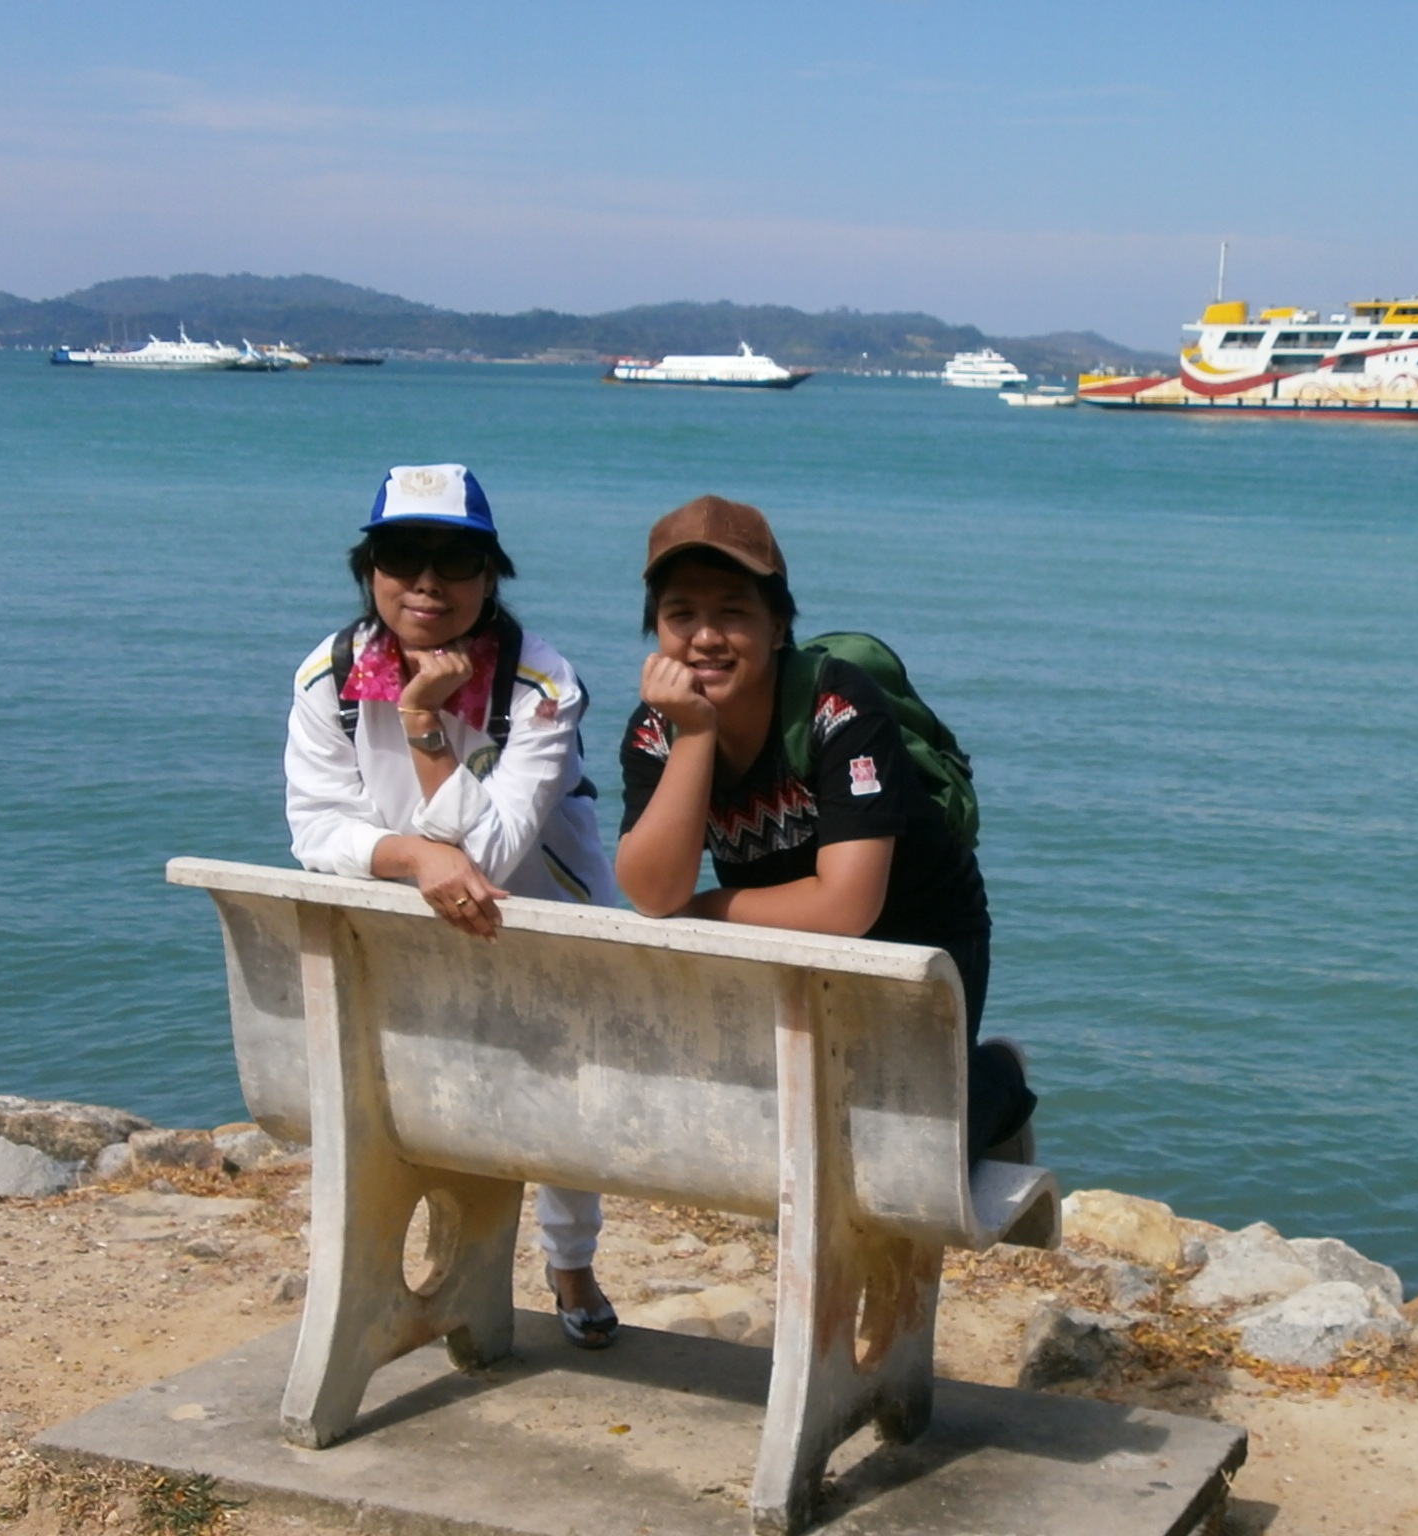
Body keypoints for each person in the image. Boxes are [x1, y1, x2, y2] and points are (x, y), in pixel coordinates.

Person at [283, 463, 624, 1348]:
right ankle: (451, 1270)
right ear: (370, 571)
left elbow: (496, 855)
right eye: (403, 556)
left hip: (538, 918)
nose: (427, 581)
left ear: (491, 575)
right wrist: (414, 855)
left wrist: (424, 722)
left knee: (566, 1100)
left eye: (456, 559)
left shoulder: (542, 685)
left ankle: (570, 1260)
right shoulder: (327, 677)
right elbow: (315, 827)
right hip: (410, 916)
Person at [614, 494, 1036, 1161]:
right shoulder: (658, 728)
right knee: (807, 1133)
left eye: (733, 612)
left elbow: (846, 905)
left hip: (922, 930)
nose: (705, 637)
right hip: (780, 931)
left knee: (907, 1150)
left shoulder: (838, 703)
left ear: (777, 625)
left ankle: (998, 1079)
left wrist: (709, 908)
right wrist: (696, 733)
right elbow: (652, 892)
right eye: (680, 614)